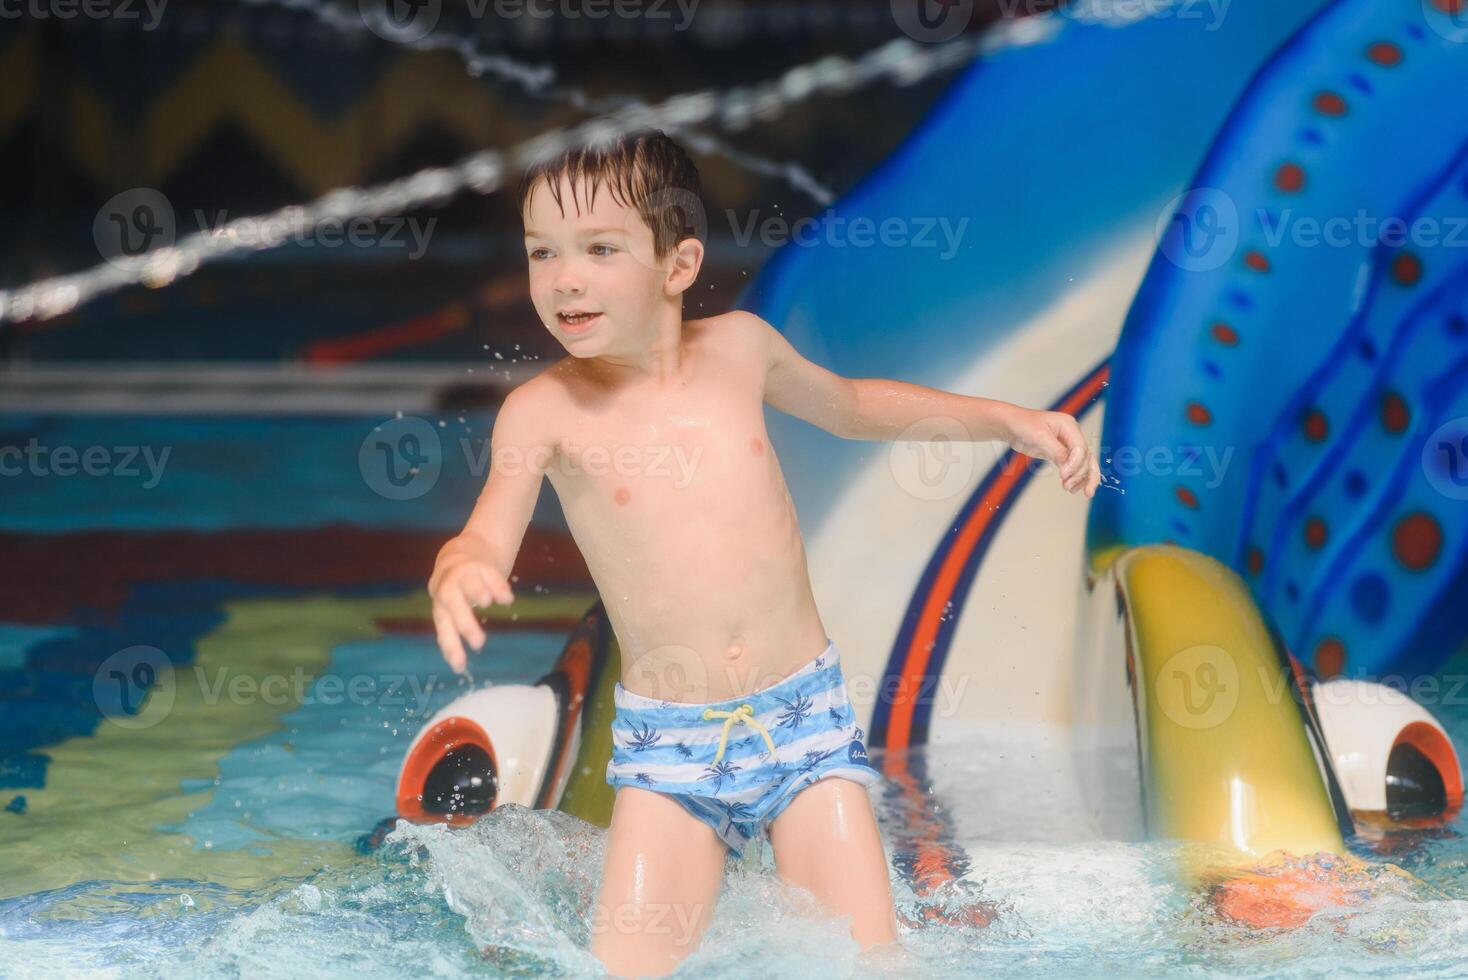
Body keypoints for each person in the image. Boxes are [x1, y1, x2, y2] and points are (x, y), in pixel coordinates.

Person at [428, 130, 1100, 976]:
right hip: (670, 751)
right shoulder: (542, 413)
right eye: (542, 253)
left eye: (600, 250)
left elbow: (855, 406)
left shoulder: (741, 349)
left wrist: (1008, 420)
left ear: (677, 267)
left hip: (804, 726)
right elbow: (490, 523)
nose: (564, 279)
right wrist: (463, 564)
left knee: (871, 961)